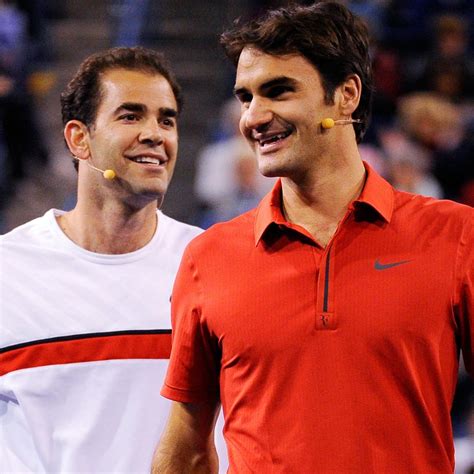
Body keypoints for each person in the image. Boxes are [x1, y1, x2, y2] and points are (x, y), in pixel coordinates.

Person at [152, 3, 473, 473]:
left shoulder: (456, 236)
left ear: (346, 95)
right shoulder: (207, 256)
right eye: (245, 98)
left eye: (278, 91)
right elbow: (187, 447)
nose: (253, 117)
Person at [0, 46, 207, 473]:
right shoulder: (8, 270)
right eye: (130, 116)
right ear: (79, 139)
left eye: (166, 120)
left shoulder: (211, 263)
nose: (155, 134)